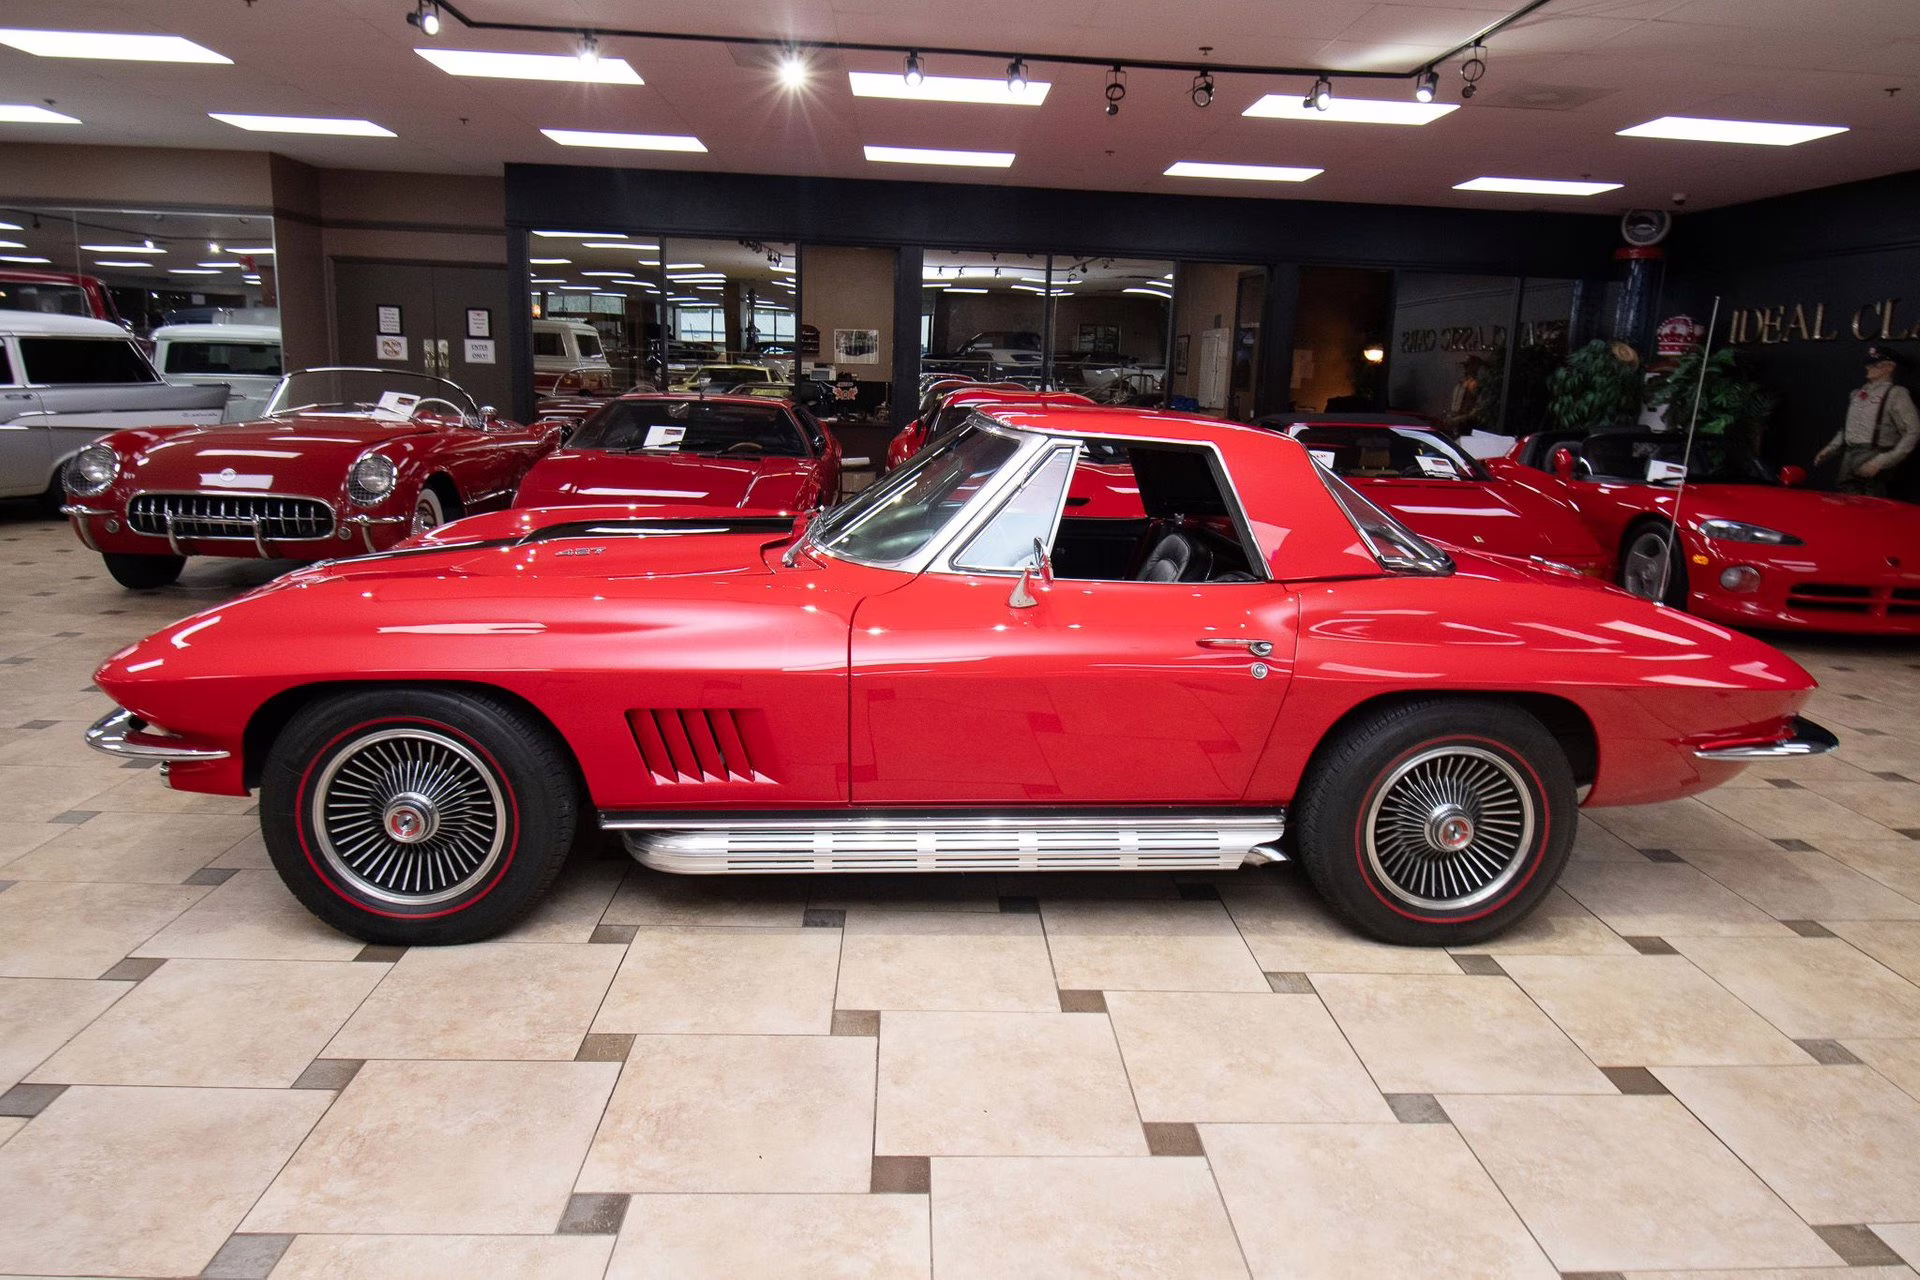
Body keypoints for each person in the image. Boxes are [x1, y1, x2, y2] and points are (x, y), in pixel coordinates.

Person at [1814, 344, 1919, 497]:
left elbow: (1913, 431)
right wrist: (1831, 448)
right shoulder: (1857, 394)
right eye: (1868, 364)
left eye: (1875, 365)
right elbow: (1848, 429)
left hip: (1873, 454)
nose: (1868, 367)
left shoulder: (1896, 394)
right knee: (1846, 494)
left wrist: (1882, 461)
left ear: (1889, 367)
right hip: (1850, 455)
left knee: (1871, 500)